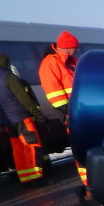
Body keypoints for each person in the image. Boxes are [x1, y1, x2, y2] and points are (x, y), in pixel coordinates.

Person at [0, 52, 52, 186]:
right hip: (22, 117)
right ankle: (37, 178)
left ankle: (25, 178)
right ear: (4, 61)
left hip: (8, 121)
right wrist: (37, 113)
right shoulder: (9, 77)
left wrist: (0, 119)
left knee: (18, 149)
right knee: (32, 146)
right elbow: (24, 98)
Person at [39, 31, 84, 184]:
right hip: (72, 113)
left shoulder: (72, 60)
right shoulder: (50, 63)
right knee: (82, 146)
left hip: (82, 110)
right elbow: (54, 93)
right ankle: (89, 182)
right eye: (75, 47)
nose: (77, 49)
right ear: (67, 47)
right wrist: (69, 110)